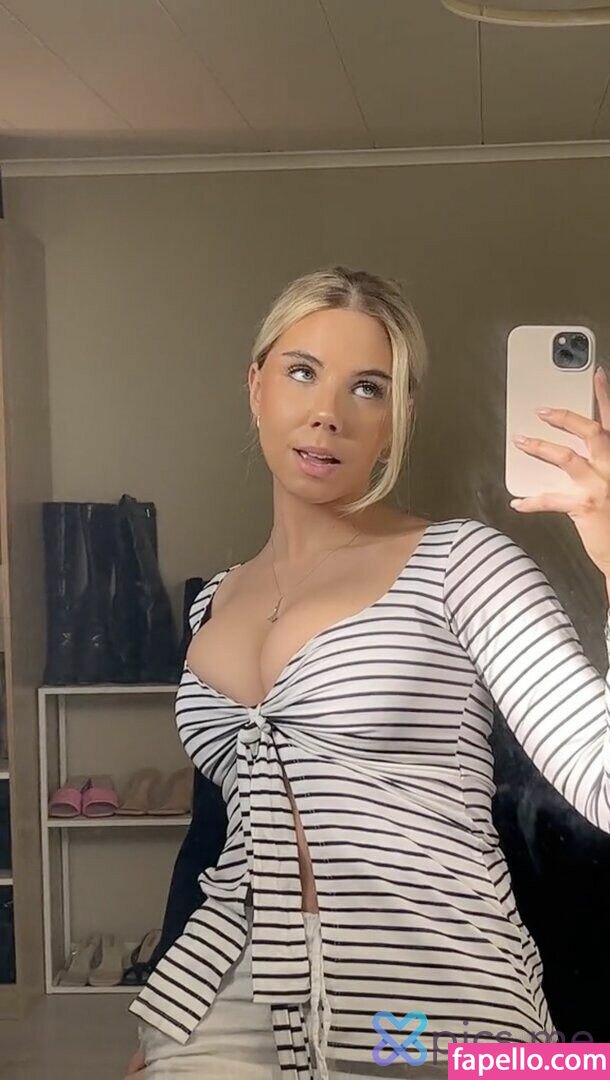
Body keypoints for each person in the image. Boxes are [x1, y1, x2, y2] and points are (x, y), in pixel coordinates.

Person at [125, 265, 610, 1079]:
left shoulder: (462, 565)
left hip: (429, 1007)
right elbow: (217, 830)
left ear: (397, 419)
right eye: (302, 372)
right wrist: (167, 1028)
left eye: (368, 388)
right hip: (220, 1000)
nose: (328, 412)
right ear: (256, 387)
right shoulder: (213, 600)